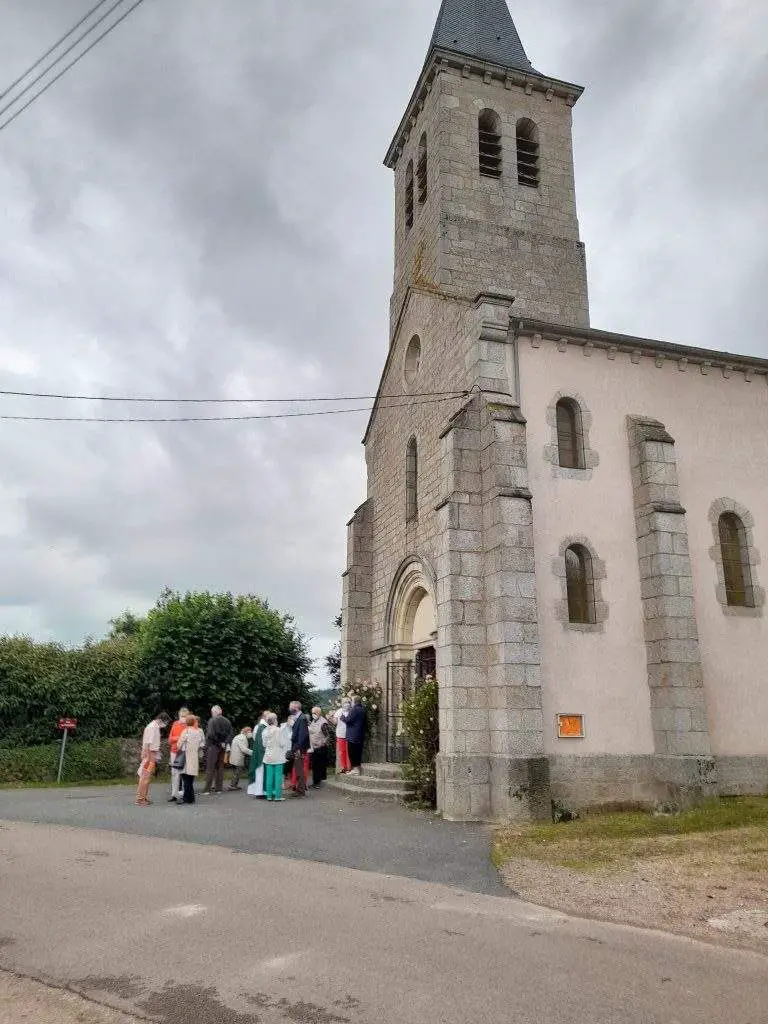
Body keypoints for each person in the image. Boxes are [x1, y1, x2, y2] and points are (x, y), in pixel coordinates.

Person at [135, 711, 170, 806]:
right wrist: (150, 759)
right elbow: (148, 744)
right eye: (165, 722)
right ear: (160, 720)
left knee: (146, 778)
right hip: (150, 755)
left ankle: (143, 798)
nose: (165, 725)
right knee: (145, 778)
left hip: (151, 755)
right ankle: (140, 799)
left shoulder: (154, 726)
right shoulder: (152, 727)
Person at [203, 705, 233, 795]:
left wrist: (219, 742)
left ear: (215, 712)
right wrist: (225, 742)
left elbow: (211, 734)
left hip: (213, 746)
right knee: (220, 767)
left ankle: (207, 789)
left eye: (212, 712)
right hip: (223, 746)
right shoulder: (227, 721)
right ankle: (218, 788)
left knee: (210, 767)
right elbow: (231, 734)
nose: (212, 714)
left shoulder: (212, 720)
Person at [176, 714, 205, 805]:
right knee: (190, 779)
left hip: (186, 758)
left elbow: (179, 745)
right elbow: (201, 744)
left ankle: (186, 799)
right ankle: (191, 798)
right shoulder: (198, 732)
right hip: (194, 757)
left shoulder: (186, 731)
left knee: (185, 780)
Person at [167, 707, 190, 803]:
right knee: (174, 773)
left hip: (184, 752)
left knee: (184, 774)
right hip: (174, 752)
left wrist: (176, 738)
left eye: (184, 716)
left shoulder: (189, 726)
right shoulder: (175, 724)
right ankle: (174, 794)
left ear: (187, 716)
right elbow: (170, 740)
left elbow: (189, 739)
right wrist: (180, 737)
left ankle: (185, 794)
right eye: (181, 716)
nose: (183, 718)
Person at [262, 713, 286, 802]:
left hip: (268, 755)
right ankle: (277, 796)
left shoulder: (264, 730)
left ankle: (268, 796)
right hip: (278, 756)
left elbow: (264, 744)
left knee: (269, 776)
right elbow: (282, 743)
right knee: (278, 777)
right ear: (275, 720)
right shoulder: (278, 730)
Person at [289, 701, 310, 797]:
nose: (289, 708)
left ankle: (301, 790)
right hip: (298, 747)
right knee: (298, 769)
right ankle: (300, 789)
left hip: (299, 748)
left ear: (296, 707)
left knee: (299, 770)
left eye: (291, 706)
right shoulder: (300, 718)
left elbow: (303, 735)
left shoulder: (301, 718)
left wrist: (298, 749)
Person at [344, 697, 367, 776]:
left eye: (351, 701)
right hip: (360, 734)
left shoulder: (354, 709)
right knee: (358, 753)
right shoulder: (363, 709)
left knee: (352, 752)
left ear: (354, 702)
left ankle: (355, 769)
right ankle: (357, 769)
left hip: (353, 735)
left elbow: (348, 720)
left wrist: (342, 717)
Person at [247, 712, 268, 798]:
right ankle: (260, 792)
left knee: (260, 773)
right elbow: (260, 742)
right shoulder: (262, 727)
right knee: (260, 773)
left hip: (259, 753)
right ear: (264, 717)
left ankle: (260, 791)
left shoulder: (260, 727)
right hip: (261, 754)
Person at [308, 706, 330, 788]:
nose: (313, 714)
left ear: (319, 713)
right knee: (314, 765)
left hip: (320, 747)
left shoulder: (323, 723)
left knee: (318, 765)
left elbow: (327, 735)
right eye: (312, 713)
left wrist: (322, 743)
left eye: (315, 713)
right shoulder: (314, 721)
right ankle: (316, 782)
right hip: (314, 746)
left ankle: (317, 783)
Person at [227, 726, 253, 791]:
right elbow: (244, 749)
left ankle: (234, 785)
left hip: (234, 757)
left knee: (236, 772)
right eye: (250, 732)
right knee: (237, 772)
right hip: (238, 757)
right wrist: (253, 753)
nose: (251, 733)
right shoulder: (242, 738)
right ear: (246, 732)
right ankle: (232, 785)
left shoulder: (238, 736)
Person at [332, 697, 352, 774]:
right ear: (342, 704)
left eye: (348, 702)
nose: (347, 704)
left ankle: (349, 767)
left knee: (349, 751)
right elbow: (335, 722)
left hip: (350, 734)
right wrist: (331, 718)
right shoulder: (338, 711)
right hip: (340, 734)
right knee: (342, 752)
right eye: (345, 702)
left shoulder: (352, 711)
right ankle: (344, 767)